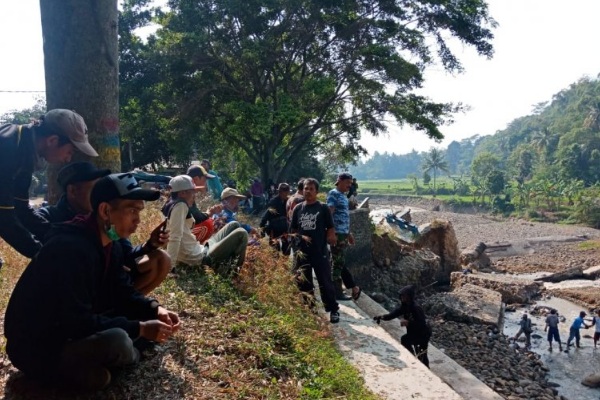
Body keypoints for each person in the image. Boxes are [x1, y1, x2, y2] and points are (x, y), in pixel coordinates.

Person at [4, 173, 180, 390]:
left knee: (126, 332)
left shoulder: (110, 244)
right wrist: (141, 329)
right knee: (119, 342)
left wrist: (155, 308)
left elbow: (122, 291)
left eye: (139, 212)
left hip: (67, 330)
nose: (138, 220)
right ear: (105, 210)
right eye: (132, 210)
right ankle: (85, 368)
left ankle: (89, 368)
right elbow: (76, 321)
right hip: (37, 345)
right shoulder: (71, 249)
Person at [36, 162, 171, 295]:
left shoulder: (109, 222)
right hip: (71, 284)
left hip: (108, 278)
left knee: (160, 259)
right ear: (72, 191)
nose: (99, 193)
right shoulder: (51, 220)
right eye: (95, 188)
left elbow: (125, 253)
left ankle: (118, 311)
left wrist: (149, 245)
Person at [0, 109, 98, 259]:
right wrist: (45, 255)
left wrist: (64, 239)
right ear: (52, 140)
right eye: (70, 151)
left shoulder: (24, 149)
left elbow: (21, 210)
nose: (68, 159)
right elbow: (4, 219)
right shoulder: (7, 147)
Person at [163, 175, 248, 274]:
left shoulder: (172, 203)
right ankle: (233, 272)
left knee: (234, 224)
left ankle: (228, 264)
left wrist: (210, 212)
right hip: (200, 258)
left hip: (201, 249)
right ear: (182, 193)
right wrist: (170, 268)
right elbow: (174, 237)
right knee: (242, 233)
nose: (195, 195)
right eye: (192, 192)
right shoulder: (180, 206)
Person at [289, 178, 340, 323]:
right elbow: (293, 229)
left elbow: (330, 227)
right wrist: (294, 247)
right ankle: (310, 309)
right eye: (306, 188)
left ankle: (333, 309)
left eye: (311, 189)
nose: (308, 191)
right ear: (302, 190)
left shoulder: (323, 208)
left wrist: (331, 237)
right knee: (304, 282)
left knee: (325, 281)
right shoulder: (298, 208)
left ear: (316, 191)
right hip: (302, 252)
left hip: (320, 251)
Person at [373, 285, 431, 367]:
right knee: (405, 340)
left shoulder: (416, 308)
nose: (402, 297)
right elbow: (392, 315)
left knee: (421, 352)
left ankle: (424, 366)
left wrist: (409, 323)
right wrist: (381, 317)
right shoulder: (404, 307)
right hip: (414, 333)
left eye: (404, 295)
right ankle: (414, 359)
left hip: (423, 334)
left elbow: (422, 324)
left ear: (409, 296)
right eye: (402, 295)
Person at [327, 172, 361, 301]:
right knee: (338, 263)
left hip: (343, 234)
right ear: (340, 181)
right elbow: (329, 213)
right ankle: (337, 292)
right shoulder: (333, 194)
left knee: (338, 261)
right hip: (336, 234)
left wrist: (349, 233)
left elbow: (343, 217)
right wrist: (330, 232)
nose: (349, 185)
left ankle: (338, 289)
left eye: (351, 183)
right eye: (348, 183)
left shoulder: (343, 196)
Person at [186, 165, 222, 243]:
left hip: (178, 231)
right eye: (205, 179)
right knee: (207, 225)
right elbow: (197, 218)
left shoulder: (186, 192)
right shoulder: (187, 195)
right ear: (195, 179)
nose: (206, 183)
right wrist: (210, 213)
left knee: (210, 221)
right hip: (177, 235)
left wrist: (209, 213)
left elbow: (193, 215)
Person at [260, 182, 291, 253]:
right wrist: (262, 229)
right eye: (284, 191)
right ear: (279, 192)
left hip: (285, 229)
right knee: (274, 250)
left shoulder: (289, 201)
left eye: (287, 191)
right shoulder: (273, 202)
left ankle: (284, 263)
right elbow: (266, 215)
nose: (286, 193)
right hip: (274, 229)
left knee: (286, 249)